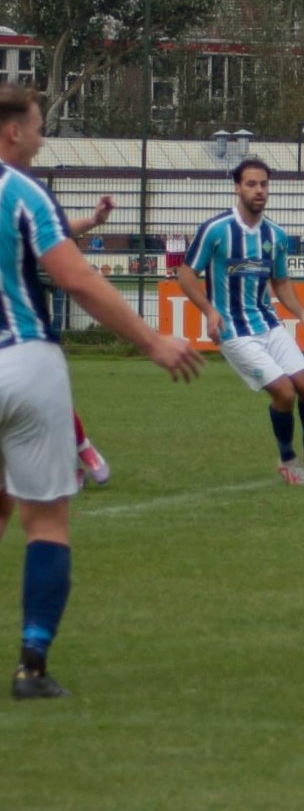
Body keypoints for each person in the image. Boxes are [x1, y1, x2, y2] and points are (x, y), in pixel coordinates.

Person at [0, 85, 202, 699]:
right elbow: (76, 278)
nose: (41, 138)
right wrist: (151, 341)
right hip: (23, 358)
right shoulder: (23, 190)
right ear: (11, 131)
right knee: (46, 523)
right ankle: (32, 665)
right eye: (37, 127)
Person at [176, 157, 304, 487]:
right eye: (252, 184)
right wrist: (210, 311)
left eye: (264, 184)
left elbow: (281, 282)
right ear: (237, 188)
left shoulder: (275, 234)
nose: (259, 190)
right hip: (233, 331)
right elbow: (186, 274)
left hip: (268, 324)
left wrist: (301, 313)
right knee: (284, 392)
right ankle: (288, 460)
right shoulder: (216, 229)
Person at [66, 195, 117, 487]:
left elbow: (51, 227)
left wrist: (93, 220)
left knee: (47, 396)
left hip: (18, 323)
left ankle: (81, 449)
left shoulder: (13, 190)